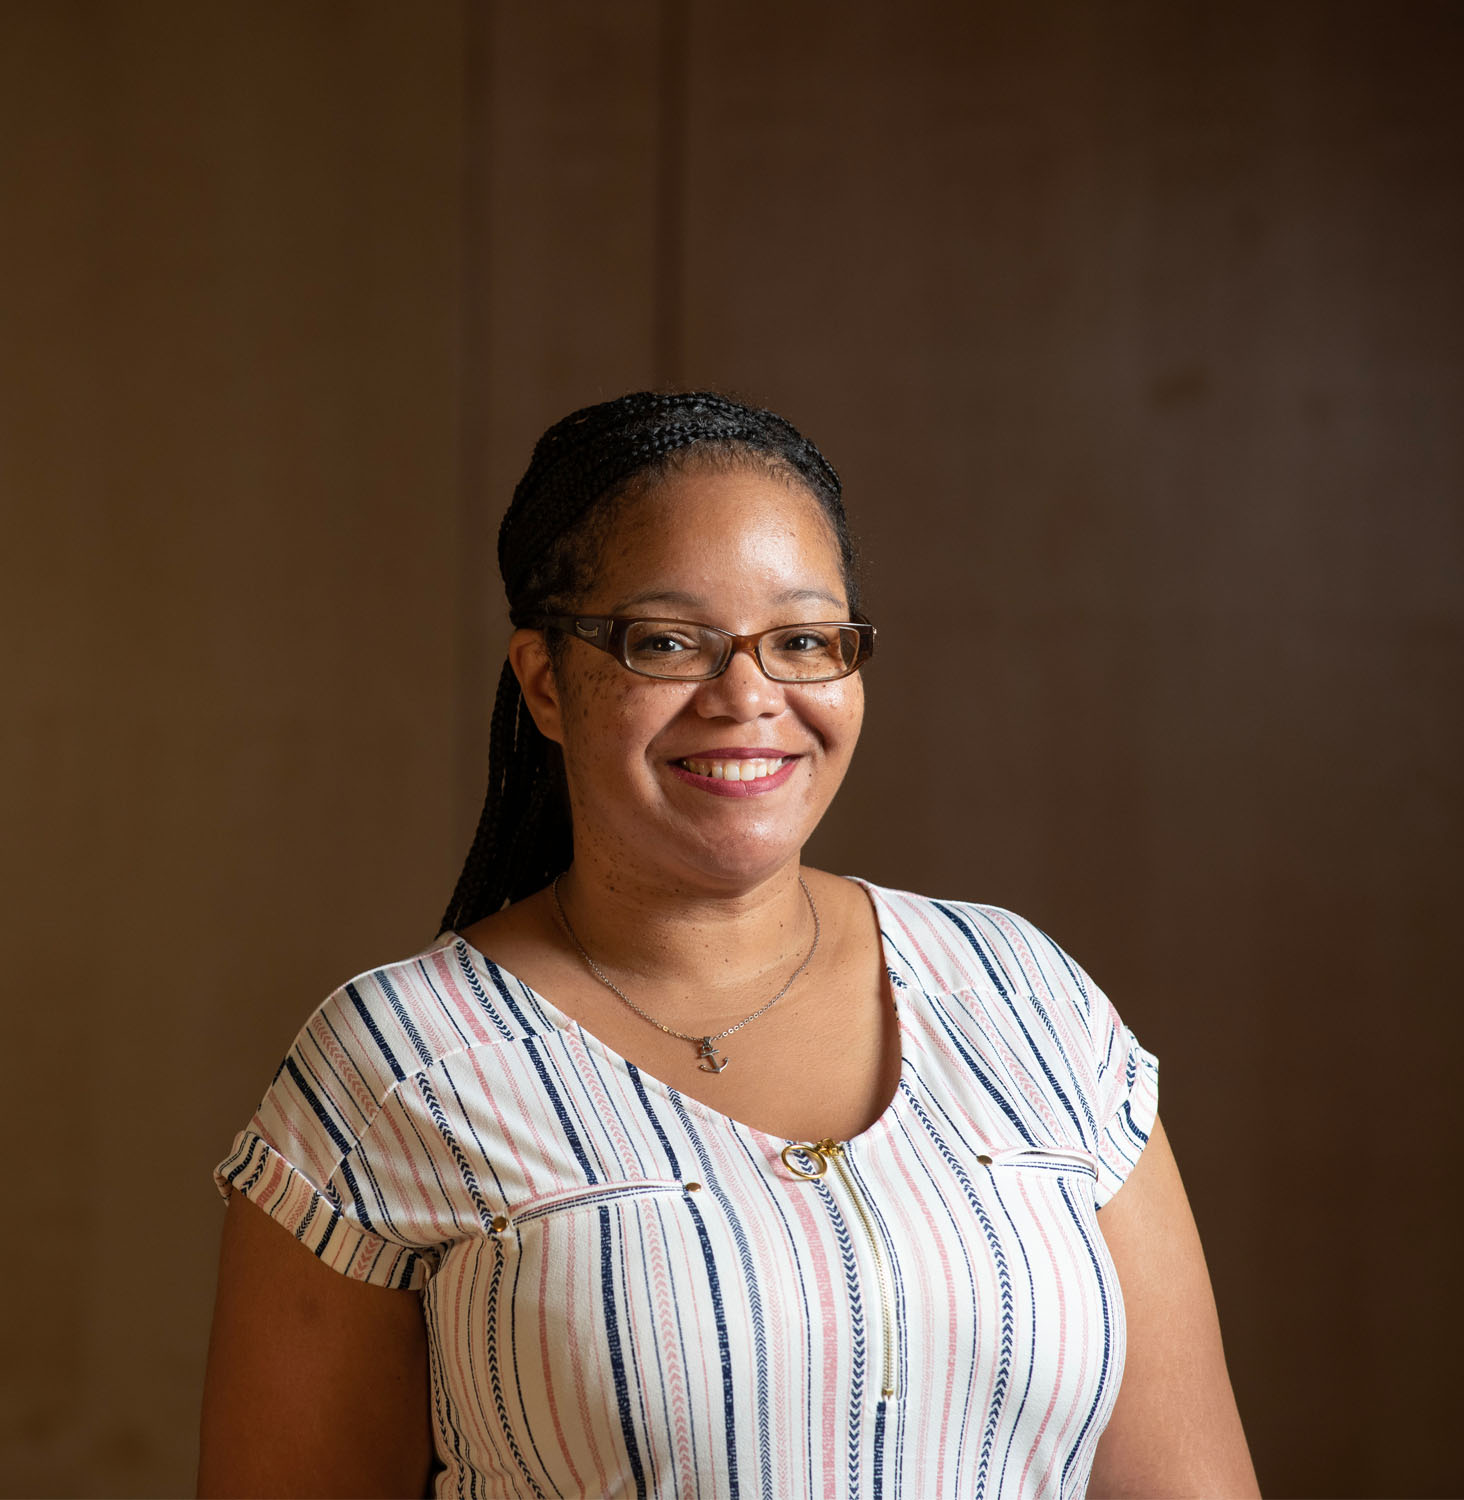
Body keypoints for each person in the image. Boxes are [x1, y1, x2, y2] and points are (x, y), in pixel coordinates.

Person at [198, 392, 1256, 1498]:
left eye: (801, 640)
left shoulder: (1028, 1004)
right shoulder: (399, 1065)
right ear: (546, 682)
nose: (748, 696)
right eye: (667, 643)